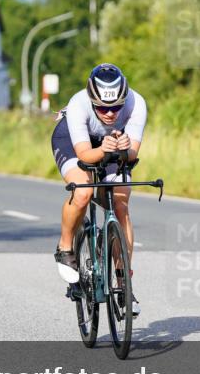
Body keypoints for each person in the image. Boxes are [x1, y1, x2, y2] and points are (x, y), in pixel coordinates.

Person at [51, 63, 146, 315]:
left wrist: (125, 148)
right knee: (83, 191)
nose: (110, 113)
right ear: (92, 100)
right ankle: (65, 247)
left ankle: (124, 283)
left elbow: (133, 153)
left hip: (112, 144)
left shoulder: (136, 103)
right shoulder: (78, 105)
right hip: (74, 143)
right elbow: (84, 154)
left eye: (116, 107)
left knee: (120, 203)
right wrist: (103, 149)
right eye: (103, 108)